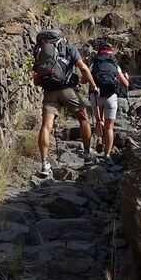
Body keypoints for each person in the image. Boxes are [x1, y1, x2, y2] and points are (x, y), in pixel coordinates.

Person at [33, 29, 95, 178]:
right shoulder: (70, 49)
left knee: (46, 126)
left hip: (49, 92)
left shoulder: (42, 51)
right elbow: (83, 68)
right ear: (63, 38)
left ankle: (45, 164)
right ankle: (87, 155)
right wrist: (93, 85)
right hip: (67, 90)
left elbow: (35, 79)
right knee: (83, 118)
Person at [87, 41, 129, 157]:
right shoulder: (115, 65)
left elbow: (84, 79)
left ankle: (100, 138)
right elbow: (125, 84)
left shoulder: (95, 63)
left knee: (99, 120)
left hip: (96, 96)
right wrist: (126, 78)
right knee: (109, 127)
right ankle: (107, 155)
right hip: (111, 97)